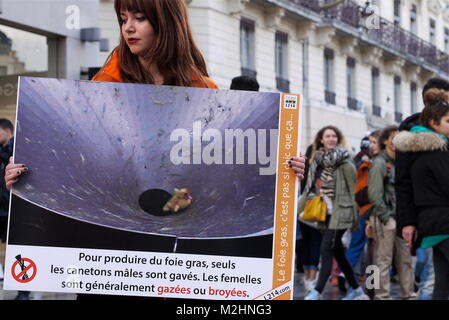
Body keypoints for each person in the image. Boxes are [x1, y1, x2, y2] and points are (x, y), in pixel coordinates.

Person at [4, 0, 307, 300]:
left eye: (139, 18)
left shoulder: (205, 93)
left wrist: (287, 171)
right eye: (123, 19)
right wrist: (25, 177)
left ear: (166, 23)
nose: (128, 28)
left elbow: (225, 179)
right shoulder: (100, 89)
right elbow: (72, 167)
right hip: (109, 261)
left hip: (175, 260)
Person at [300, 125, 367, 300]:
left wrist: (353, 218)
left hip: (342, 214)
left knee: (326, 249)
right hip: (325, 215)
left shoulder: (345, 161)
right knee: (337, 252)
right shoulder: (317, 161)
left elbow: (352, 190)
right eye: (327, 136)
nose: (331, 139)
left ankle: (317, 291)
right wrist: (293, 212)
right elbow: (308, 190)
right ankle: (357, 290)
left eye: (334, 136)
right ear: (321, 140)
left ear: (338, 139)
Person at [394, 90, 449, 300]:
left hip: (433, 224)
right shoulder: (436, 150)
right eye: (448, 121)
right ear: (434, 123)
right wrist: (407, 222)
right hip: (443, 222)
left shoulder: (422, 149)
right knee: (440, 282)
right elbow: (403, 186)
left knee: (442, 284)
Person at [366, 125, 416, 300]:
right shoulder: (380, 162)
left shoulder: (402, 161)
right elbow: (374, 194)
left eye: (399, 137)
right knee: (383, 261)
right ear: (386, 140)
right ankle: (382, 297)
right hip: (385, 219)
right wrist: (386, 217)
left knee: (406, 261)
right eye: (392, 137)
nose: (396, 141)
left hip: (402, 219)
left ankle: (409, 295)